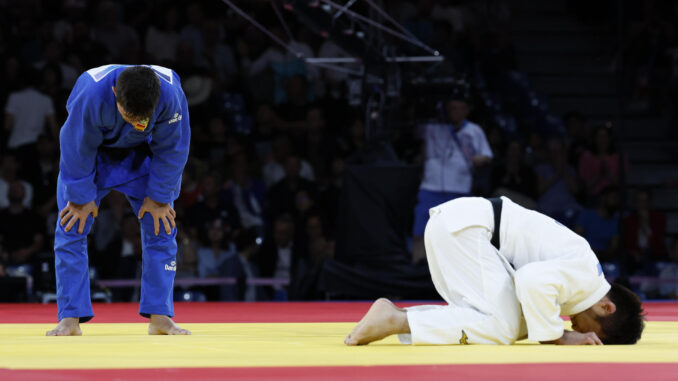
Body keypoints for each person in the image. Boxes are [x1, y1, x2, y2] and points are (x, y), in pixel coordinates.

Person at [345, 196, 644, 346]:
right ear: (606, 306)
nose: (578, 329)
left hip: (458, 228)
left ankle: (401, 317)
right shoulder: (584, 277)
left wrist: (550, 329)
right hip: (467, 232)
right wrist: (557, 337)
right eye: (588, 329)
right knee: (506, 327)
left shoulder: (583, 270)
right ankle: (397, 320)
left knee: (515, 322)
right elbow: (529, 281)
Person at [47, 65, 191, 336]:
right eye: (128, 114)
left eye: (141, 117)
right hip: (94, 157)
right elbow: (75, 145)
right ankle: (70, 318)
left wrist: (160, 197)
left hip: (142, 157)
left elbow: (175, 147)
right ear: (114, 93)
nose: (133, 121)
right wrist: (81, 197)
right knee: (71, 225)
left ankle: (160, 316)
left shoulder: (170, 93)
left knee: (162, 225)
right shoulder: (91, 91)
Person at [411, 90, 493, 262]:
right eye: (452, 108)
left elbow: (487, 155)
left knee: (459, 237)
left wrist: (480, 159)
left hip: (459, 189)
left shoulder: (474, 130)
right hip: (430, 188)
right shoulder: (432, 127)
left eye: (460, 108)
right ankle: (416, 272)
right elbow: (414, 131)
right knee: (420, 234)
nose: (456, 112)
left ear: (467, 110)